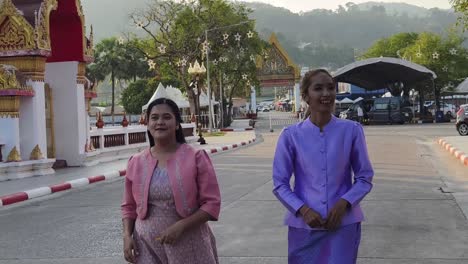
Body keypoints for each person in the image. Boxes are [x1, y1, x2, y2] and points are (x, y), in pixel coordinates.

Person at [272, 69, 374, 264]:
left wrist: (344, 203)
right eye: (318, 88)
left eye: (330, 88)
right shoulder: (290, 136)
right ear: (306, 96)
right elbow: (280, 183)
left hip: (343, 225)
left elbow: (364, 177)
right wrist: (303, 210)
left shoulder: (351, 131)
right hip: (304, 226)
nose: (326, 93)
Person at [121, 98, 221, 264]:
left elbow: (212, 205)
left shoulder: (196, 158)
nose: (160, 122)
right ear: (147, 124)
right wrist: (126, 236)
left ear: (176, 124)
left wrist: (181, 226)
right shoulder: (136, 161)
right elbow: (128, 206)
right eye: (154, 118)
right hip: (146, 247)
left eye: (167, 117)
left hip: (189, 244)